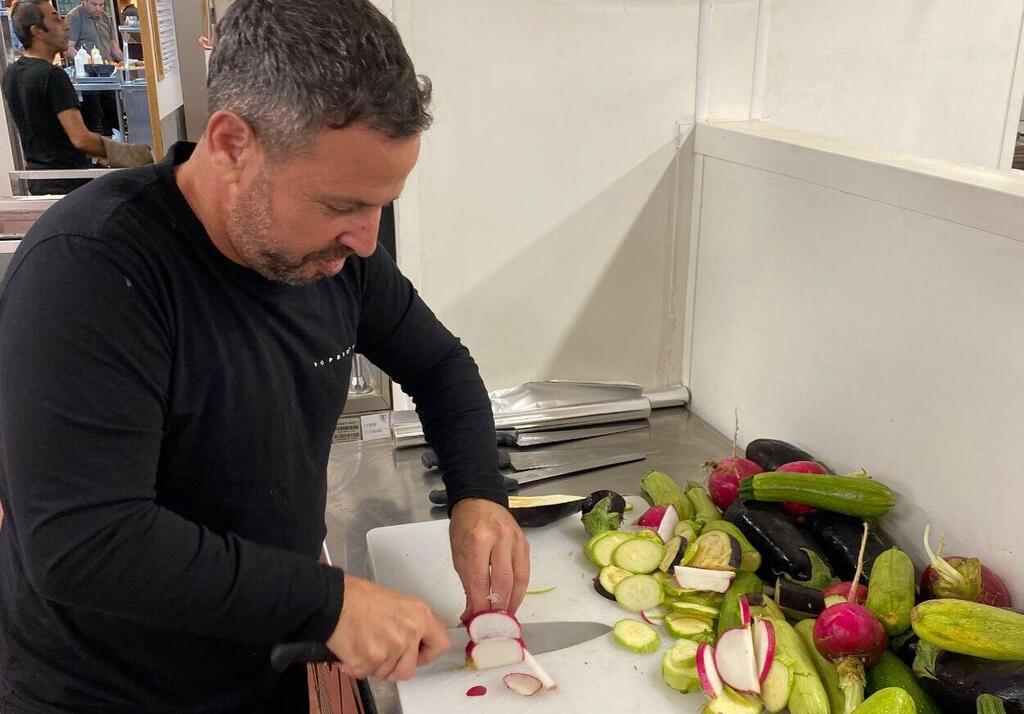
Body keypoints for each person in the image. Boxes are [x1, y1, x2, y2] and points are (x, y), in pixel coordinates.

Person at [0, 0, 529, 711]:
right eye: (342, 205)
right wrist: (329, 603)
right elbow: (85, 543)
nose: (367, 240)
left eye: (383, 205)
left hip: (257, 664)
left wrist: (478, 496)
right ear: (231, 143)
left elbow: (441, 368)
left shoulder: (340, 258)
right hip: (101, 691)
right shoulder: (91, 270)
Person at [1, 0, 152, 195]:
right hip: (70, 183)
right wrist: (129, 154)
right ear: (37, 31)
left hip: (39, 183)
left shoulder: (11, 73)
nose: (66, 25)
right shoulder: (53, 76)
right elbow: (80, 139)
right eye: (56, 19)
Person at [66, 0, 121, 136]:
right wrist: (85, 62)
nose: (98, 8)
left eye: (101, 5)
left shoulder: (105, 18)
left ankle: (115, 144)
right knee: (96, 120)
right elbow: (68, 47)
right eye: (94, 4)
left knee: (114, 115)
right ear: (84, 2)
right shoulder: (75, 17)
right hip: (88, 78)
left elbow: (112, 46)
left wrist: (127, 60)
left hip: (107, 75)